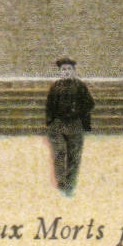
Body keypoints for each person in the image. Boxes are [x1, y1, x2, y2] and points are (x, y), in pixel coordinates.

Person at [45, 57, 95, 196]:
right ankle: (61, 183)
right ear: (60, 72)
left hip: (75, 124)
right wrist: (51, 122)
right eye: (63, 69)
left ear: (73, 71)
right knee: (59, 153)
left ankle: (70, 183)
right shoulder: (55, 87)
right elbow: (49, 106)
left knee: (74, 155)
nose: (66, 72)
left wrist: (79, 115)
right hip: (58, 125)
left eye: (69, 69)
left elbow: (89, 104)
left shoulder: (80, 86)